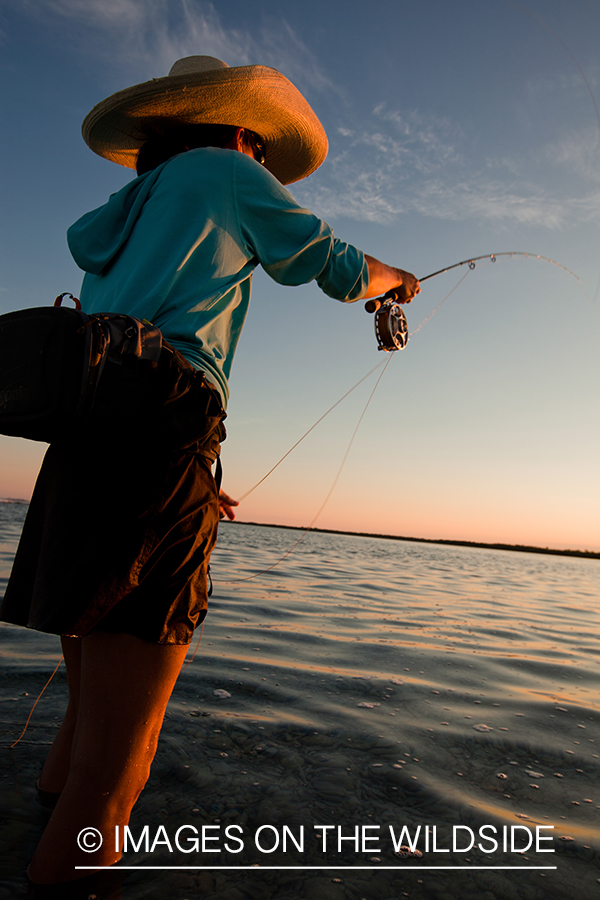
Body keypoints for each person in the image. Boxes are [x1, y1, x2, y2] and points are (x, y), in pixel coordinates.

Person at [1, 55, 419, 893]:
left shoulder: (125, 211)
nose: (263, 164)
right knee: (115, 774)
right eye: (260, 149)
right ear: (237, 131)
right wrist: (397, 280)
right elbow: (334, 265)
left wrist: (192, 477)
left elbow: (125, 359)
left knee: (84, 723)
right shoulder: (227, 172)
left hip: (83, 454)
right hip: (160, 439)